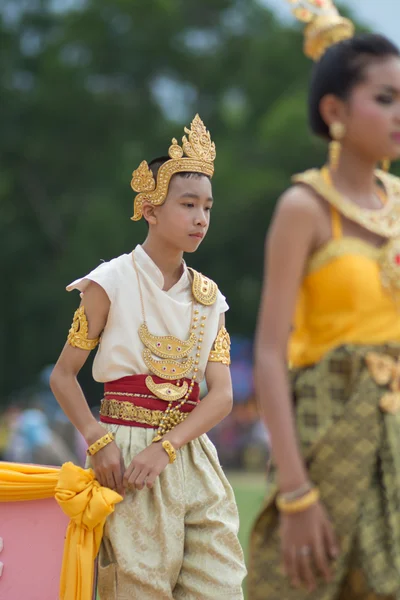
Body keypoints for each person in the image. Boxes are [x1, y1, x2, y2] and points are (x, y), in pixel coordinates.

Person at [50, 114, 246, 600]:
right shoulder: (109, 282)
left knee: (220, 586)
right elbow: (63, 376)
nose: (201, 217)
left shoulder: (210, 297)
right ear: (150, 209)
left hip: (192, 457)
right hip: (127, 456)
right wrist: (97, 439)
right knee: (138, 588)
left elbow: (221, 396)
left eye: (207, 207)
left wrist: (171, 446)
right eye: (187, 204)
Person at [249, 1, 400, 599]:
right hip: (326, 426)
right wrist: (296, 492)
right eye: (384, 98)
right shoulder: (304, 209)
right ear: (334, 110)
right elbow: (266, 354)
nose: (399, 113)